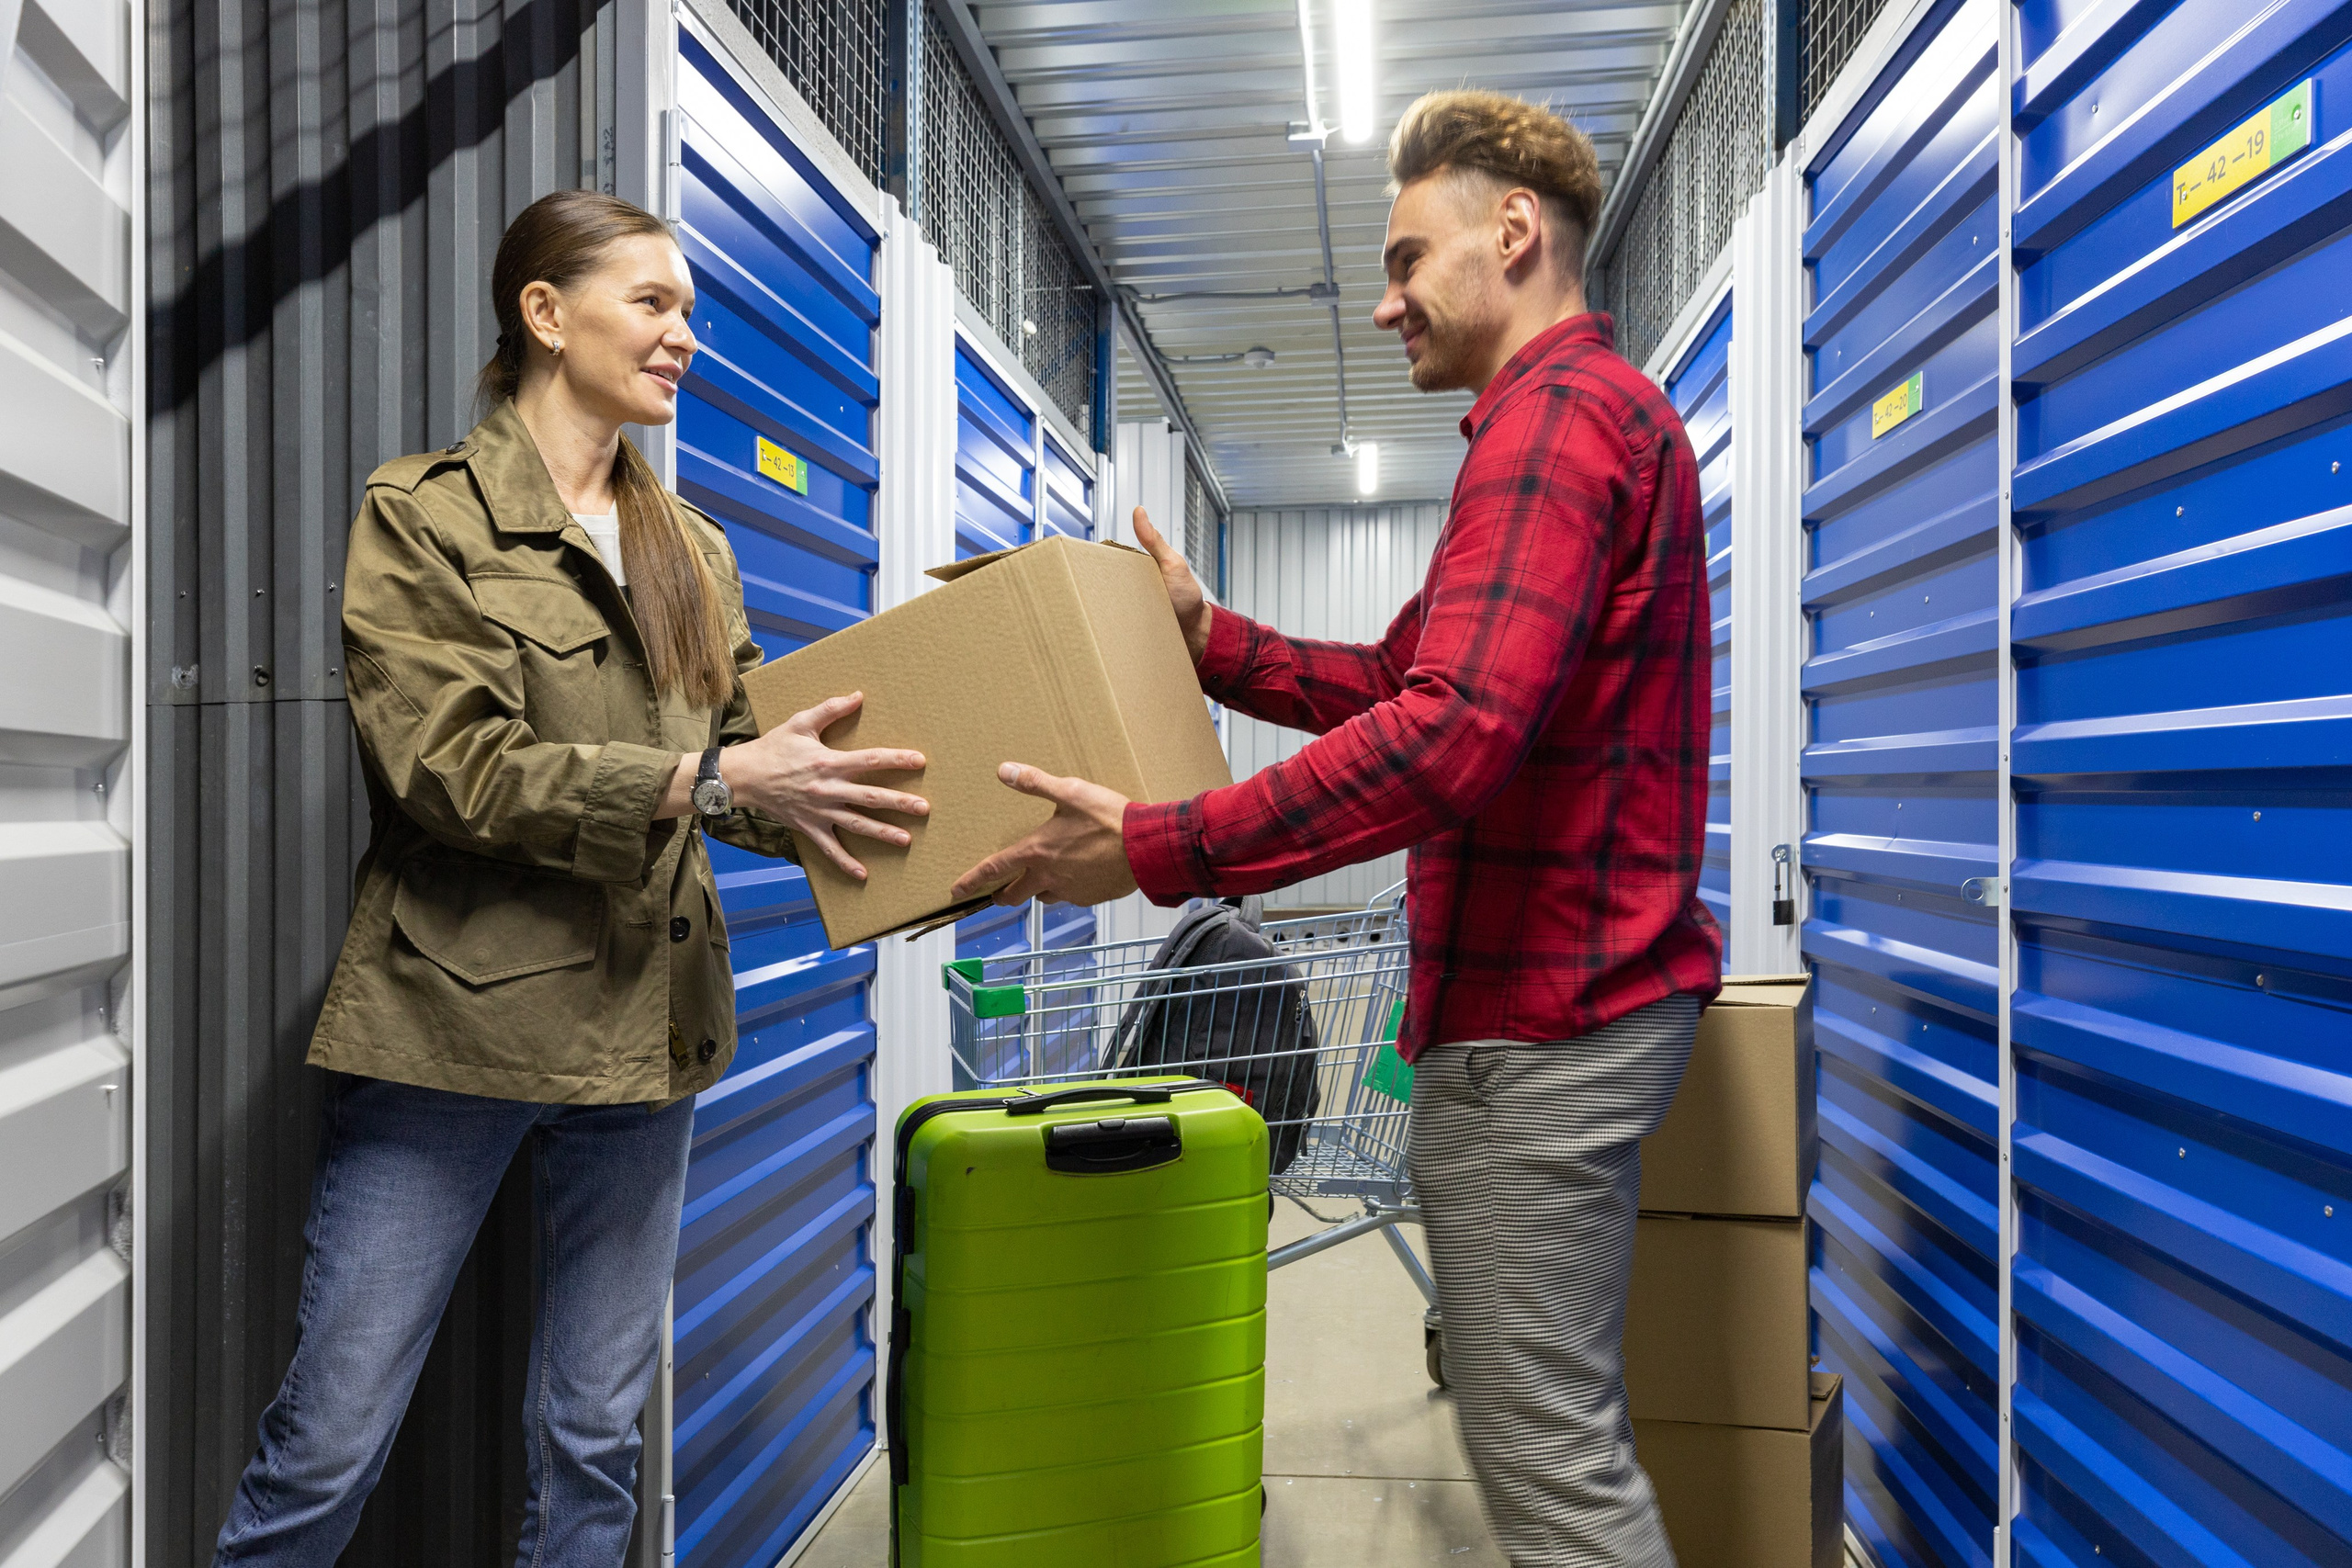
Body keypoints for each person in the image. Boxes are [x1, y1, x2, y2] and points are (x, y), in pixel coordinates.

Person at [951, 90, 1721, 1565]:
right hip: (1548, 1005)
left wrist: (1169, 843)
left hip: (1541, 1019)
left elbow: (1448, 739)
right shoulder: (1570, 423)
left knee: (1550, 1462)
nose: (1382, 305)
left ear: (1513, 233)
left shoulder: (1558, 425)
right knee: (1547, 1437)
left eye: (1405, 257)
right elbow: (1402, 683)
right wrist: (1209, 638)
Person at [210, 190, 930, 1565]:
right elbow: (449, 768)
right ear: (545, 313)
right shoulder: (423, 517)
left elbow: (744, 770)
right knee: (330, 1439)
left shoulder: (690, 548)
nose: (685, 340)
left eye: (691, 312)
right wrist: (712, 784)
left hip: (644, 1037)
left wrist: (924, 825)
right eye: (652, 304)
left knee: (593, 1439)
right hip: (453, 1031)